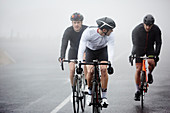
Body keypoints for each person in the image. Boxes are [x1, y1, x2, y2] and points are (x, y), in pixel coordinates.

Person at [77, 17, 116, 107]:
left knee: (103, 69)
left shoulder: (110, 36)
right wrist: (79, 63)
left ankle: (104, 97)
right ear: (105, 29)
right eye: (111, 29)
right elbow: (81, 48)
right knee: (90, 71)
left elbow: (111, 50)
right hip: (90, 51)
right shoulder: (88, 32)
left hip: (102, 51)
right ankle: (90, 93)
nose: (112, 31)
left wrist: (110, 64)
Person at [130, 14, 162, 101]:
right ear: (143, 23)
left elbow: (158, 43)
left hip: (150, 49)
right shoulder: (137, 30)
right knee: (138, 69)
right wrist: (132, 54)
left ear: (152, 25)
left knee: (151, 62)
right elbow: (134, 44)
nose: (148, 27)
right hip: (139, 48)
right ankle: (137, 91)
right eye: (146, 25)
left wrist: (156, 54)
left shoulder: (156, 29)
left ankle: (150, 73)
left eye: (150, 25)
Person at [58, 12, 88, 99]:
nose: (76, 24)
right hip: (73, 51)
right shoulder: (68, 31)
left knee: (85, 63)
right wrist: (62, 56)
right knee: (72, 69)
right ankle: (74, 90)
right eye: (74, 22)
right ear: (72, 23)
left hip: (84, 51)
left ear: (81, 22)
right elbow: (64, 44)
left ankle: (86, 84)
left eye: (78, 22)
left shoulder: (86, 29)